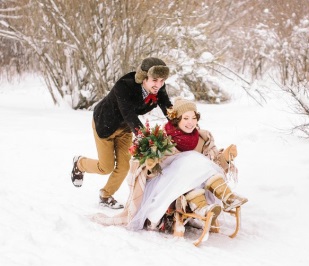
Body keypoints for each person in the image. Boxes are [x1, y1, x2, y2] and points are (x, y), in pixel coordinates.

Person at [90, 97, 248, 237]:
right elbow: (144, 168)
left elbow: (213, 165)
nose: (190, 122)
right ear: (176, 119)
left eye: (194, 118)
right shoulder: (163, 138)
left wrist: (226, 157)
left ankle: (221, 201)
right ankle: (205, 206)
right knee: (191, 159)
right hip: (167, 186)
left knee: (199, 164)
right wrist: (150, 163)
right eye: (186, 118)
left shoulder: (202, 138)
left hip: (196, 184)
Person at [71, 57, 173, 209]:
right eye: (155, 80)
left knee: (124, 166)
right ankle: (80, 163)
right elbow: (128, 113)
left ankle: (105, 196)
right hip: (105, 124)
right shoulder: (124, 86)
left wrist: (180, 122)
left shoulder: (158, 88)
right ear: (143, 77)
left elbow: (167, 106)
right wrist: (145, 137)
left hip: (125, 128)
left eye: (162, 80)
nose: (159, 84)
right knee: (105, 167)